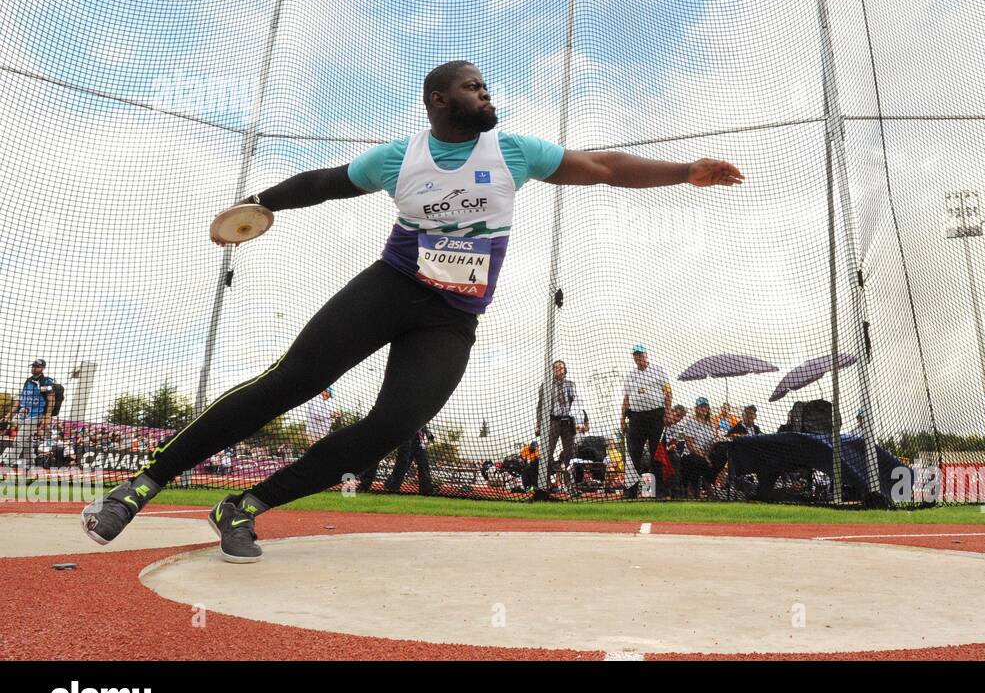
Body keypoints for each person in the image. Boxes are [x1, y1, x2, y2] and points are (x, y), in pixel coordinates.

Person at [82, 60, 743, 561]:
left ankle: (245, 504)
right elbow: (328, 181)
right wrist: (262, 202)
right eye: (474, 88)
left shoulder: (513, 151)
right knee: (288, 382)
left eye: (487, 89)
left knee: (392, 424)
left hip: (450, 320)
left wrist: (684, 170)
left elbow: (601, 165)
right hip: (390, 287)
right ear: (438, 100)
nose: (486, 96)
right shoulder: (403, 158)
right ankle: (141, 484)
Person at [620, 344, 673, 498]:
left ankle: (660, 491)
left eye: (640, 354)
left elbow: (668, 393)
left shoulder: (659, 370)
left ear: (646, 355)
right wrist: (622, 419)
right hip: (636, 417)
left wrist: (668, 412)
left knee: (657, 453)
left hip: (656, 416)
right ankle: (630, 491)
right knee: (633, 453)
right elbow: (626, 399)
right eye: (635, 355)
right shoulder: (630, 375)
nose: (638, 357)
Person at [534, 359, 582, 495]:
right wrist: (538, 424)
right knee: (547, 453)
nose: (558, 370)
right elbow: (540, 406)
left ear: (565, 370)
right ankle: (546, 484)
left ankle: (570, 486)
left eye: (561, 368)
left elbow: (577, 403)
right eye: (555, 368)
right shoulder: (546, 386)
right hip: (552, 421)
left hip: (568, 422)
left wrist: (578, 421)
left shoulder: (570, 384)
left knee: (570, 455)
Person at [9, 359, 55, 468]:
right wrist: (9, 414)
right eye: (33, 366)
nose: (34, 368)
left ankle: (8, 464)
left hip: (37, 415)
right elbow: (21, 399)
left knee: (19, 440)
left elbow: (51, 399)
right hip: (25, 415)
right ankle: (30, 465)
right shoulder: (28, 381)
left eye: (37, 366)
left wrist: (47, 416)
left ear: (43, 368)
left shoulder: (47, 381)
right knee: (27, 443)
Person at [678, 397, 727, 499]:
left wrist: (709, 453)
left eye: (705, 406)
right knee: (699, 461)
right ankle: (695, 488)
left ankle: (708, 481)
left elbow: (712, 442)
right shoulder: (691, 422)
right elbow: (690, 446)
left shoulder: (711, 424)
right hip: (691, 455)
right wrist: (705, 457)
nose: (703, 409)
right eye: (701, 406)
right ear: (696, 408)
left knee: (723, 453)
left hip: (706, 454)